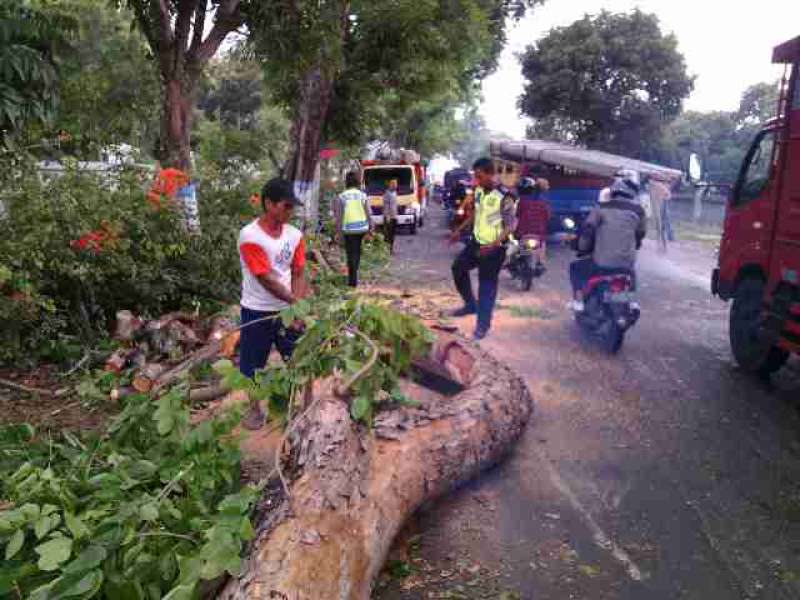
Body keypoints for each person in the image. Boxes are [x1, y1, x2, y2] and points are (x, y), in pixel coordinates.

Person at [238, 178, 307, 430]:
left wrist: (297, 309)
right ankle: (254, 409)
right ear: (268, 203)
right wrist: (295, 303)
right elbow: (265, 278)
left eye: (292, 207)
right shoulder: (250, 236)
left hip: (287, 310)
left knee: (298, 359)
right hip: (257, 310)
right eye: (285, 206)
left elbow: (299, 272)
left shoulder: (294, 235)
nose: (290, 211)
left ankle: (294, 404)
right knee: (252, 366)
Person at [450, 158, 517, 340]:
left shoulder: (505, 196)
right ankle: (470, 304)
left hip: (495, 248)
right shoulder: (479, 190)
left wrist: (493, 245)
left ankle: (482, 326)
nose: (476, 180)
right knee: (458, 268)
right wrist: (459, 230)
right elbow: (475, 214)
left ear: (490, 174)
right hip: (477, 242)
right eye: (475, 177)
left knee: (486, 285)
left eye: (479, 176)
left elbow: (510, 226)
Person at [568, 171, 646, 311]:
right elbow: (640, 234)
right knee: (631, 271)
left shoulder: (601, 209)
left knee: (575, 268)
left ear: (613, 192)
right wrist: (635, 245)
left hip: (602, 263)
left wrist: (581, 247)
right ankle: (630, 301)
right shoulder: (638, 211)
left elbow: (588, 230)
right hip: (626, 262)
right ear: (631, 194)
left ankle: (578, 301)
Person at [334, 171, 374, 287]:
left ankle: (352, 280)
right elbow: (368, 213)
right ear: (357, 182)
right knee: (357, 252)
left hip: (348, 229)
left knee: (351, 254)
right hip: (361, 228)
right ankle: (354, 276)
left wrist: (338, 232)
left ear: (346, 182)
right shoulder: (362, 195)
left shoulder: (341, 196)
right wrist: (371, 228)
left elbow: (339, 216)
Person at [514, 177, 551, 273]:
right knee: (542, 243)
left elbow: (517, 215)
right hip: (538, 232)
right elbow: (547, 217)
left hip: (523, 231)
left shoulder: (523, 200)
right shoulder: (545, 202)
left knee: (515, 244)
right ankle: (540, 263)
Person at [649, 174, 673, 251]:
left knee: (660, 227)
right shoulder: (660, 186)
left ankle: (661, 244)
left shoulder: (653, 185)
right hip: (660, 207)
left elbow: (668, 195)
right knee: (662, 227)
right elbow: (668, 196)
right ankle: (663, 244)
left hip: (657, 207)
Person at [382, 179, 399, 254]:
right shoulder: (387, 193)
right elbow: (386, 206)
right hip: (389, 217)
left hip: (394, 216)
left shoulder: (395, 193)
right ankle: (387, 250)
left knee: (392, 234)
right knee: (387, 234)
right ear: (390, 185)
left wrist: (396, 216)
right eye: (394, 184)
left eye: (396, 184)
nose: (396, 185)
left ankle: (391, 249)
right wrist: (387, 216)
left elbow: (395, 205)